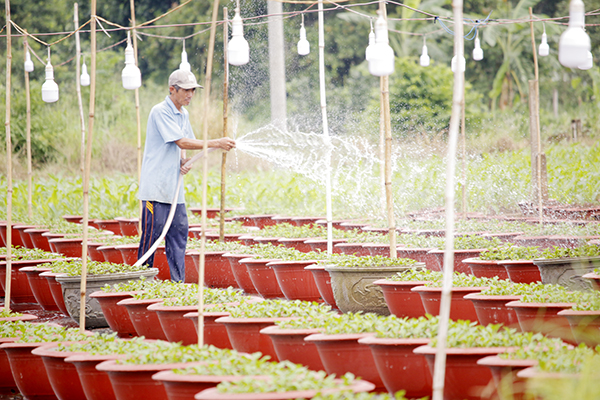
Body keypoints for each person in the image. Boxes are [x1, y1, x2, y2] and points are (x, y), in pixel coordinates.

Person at [137, 68, 236, 282]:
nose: (190, 95)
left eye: (193, 91)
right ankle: (142, 282)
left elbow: (184, 146)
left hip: (174, 190)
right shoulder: (160, 111)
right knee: (152, 236)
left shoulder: (183, 113)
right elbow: (180, 141)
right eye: (186, 90)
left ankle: (177, 283)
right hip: (156, 188)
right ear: (172, 89)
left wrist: (183, 161)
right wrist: (216, 143)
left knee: (179, 234)